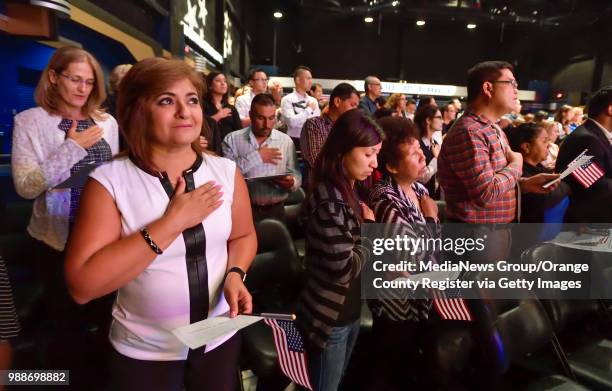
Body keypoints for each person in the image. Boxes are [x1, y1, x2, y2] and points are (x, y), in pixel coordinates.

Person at [64, 58, 256, 391]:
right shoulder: (110, 182)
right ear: (138, 111)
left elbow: (243, 235)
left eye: (192, 99)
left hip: (218, 340)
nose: (185, 111)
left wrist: (236, 274)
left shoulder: (226, 171)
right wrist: (172, 222)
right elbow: (83, 285)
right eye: (167, 100)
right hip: (146, 355)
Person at [11, 46, 118, 382]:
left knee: (106, 319)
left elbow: (113, 177)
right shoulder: (30, 121)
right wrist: (72, 147)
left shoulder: (106, 122)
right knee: (66, 326)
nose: (82, 88)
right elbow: (27, 187)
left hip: (103, 237)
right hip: (55, 240)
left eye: (89, 81)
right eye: (75, 79)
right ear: (54, 77)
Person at [296, 109, 382, 391]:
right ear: (344, 149)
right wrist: (369, 230)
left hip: (349, 309)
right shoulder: (329, 198)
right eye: (368, 154)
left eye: (377, 154)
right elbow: (344, 268)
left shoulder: (348, 188)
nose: (374, 163)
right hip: (331, 316)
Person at [438, 61, 558, 261]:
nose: (516, 90)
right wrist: (517, 166)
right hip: (476, 236)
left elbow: (491, 181)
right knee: (477, 291)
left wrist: (524, 185)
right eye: (511, 83)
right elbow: (485, 193)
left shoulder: (491, 128)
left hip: (491, 233)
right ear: (488, 88)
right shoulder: (470, 131)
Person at [367, 116, 439, 390]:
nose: (422, 156)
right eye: (413, 153)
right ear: (392, 166)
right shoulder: (385, 198)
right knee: (387, 365)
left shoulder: (419, 189)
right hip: (396, 302)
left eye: (420, 149)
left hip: (421, 295)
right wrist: (431, 219)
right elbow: (407, 254)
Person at [223, 93, 301, 223]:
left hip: (277, 209)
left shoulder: (285, 141)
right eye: (261, 118)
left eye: (271, 118)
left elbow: (297, 175)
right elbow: (226, 176)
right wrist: (258, 156)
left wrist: (292, 182)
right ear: (251, 115)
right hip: (242, 209)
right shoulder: (232, 140)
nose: (267, 124)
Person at [556, 86, 612, 223]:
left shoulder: (595, 135)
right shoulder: (586, 139)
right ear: (610, 109)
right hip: (588, 225)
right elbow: (594, 185)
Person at [507, 122, 570, 223]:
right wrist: (564, 184)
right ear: (527, 147)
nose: (549, 146)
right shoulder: (519, 172)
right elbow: (544, 198)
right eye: (545, 141)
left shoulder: (538, 167)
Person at [300, 83, 360, 185]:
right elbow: (316, 161)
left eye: (357, 106)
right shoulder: (315, 124)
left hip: (347, 187)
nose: (355, 110)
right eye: (352, 105)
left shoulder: (350, 128)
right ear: (337, 101)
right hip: (322, 188)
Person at [280, 66, 320, 146]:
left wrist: (299, 119)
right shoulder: (287, 99)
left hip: (312, 141)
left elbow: (316, 123)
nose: (311, 82)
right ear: (298, 80)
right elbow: (291, 122)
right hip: (293, 141)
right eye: (308, 78)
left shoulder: (313, 100)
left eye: (311, 79)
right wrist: (308, 109)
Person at [203, 71, 242, 141]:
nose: (223, 83)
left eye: (225, 81)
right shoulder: (203, 105)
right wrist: (218, 116)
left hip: (229, 148)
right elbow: (201, 126)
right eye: (218, 81)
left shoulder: (231, 108)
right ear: (210, 85)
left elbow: (239, 131)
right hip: (209, 146)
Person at [414, 104, 443, 198]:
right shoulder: (417, 144)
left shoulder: (435, 143)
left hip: (434, 194)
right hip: (421, 195)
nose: (441, 121)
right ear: (428, 120)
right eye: (439, 117)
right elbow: (420, 177)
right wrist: (436, 158)